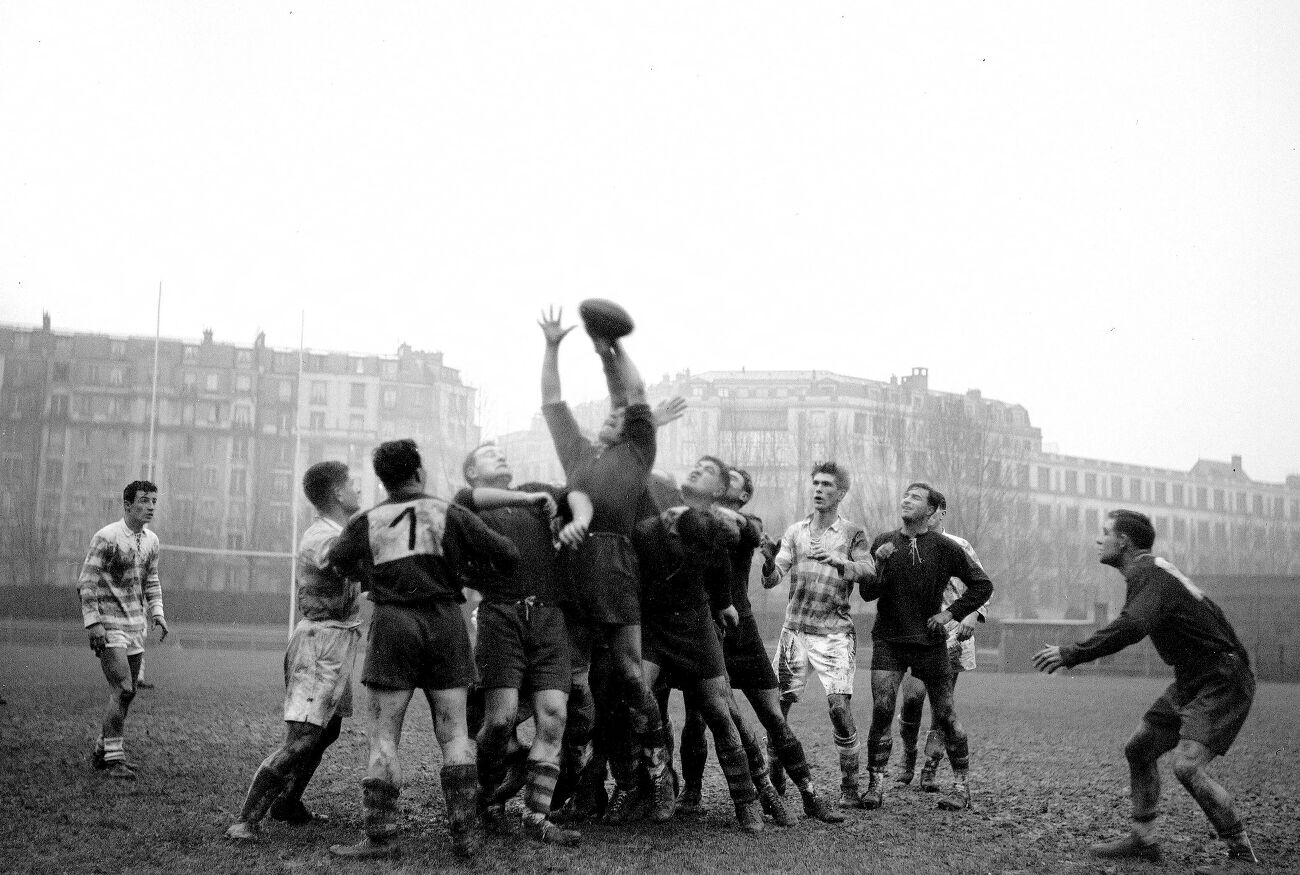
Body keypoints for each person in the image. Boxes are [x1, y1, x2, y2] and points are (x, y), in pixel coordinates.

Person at [1034, 510, 1259, 875]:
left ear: (1123, 541)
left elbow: (1133, 626)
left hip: (1222, 676)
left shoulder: (1146, 572)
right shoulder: (1150, 571)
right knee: (1140, 749)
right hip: (1195, 676)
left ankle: (1242, 855)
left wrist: (1072, 653)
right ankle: (1144, 838)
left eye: (1104, 533)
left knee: (1187, 766)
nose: (1098, 539)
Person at [326, 439, 520, 860]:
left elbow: (337, 562)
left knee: (383, 736)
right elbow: (506, 553)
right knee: (454, 733)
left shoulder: (367, 519)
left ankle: (381, 839)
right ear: (419, 473)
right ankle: (464, 837)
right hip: (446, 621)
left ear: (383, 480)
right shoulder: (446, 511)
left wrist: (374, 576)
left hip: (394, 622)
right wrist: (463, 568)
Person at [537, 306, 676, 822]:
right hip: (571, 572)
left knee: (629, 675)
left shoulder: (638, 452)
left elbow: (635, 393)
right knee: (575, 684)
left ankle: (655, 775)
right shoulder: (577, 456)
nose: (616, 413)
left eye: (622, 413)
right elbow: (552, 402)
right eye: (610, 411)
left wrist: (612, 351)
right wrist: (552, 346)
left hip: (616, 569)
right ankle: (572, 782)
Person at [677, 465, 844, 825]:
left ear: (741, 494)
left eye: (733, 477)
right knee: (697, 718)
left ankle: (810, 795)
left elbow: (748, 532)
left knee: (773, 717)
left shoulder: (745, 520)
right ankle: (692, 792)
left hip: (743, 631)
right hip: (706, 630)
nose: (724, 477)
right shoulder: (693, 521)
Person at [455, 441, 592, 846]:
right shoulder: (470, 504)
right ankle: (486, 799)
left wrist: (578, 519)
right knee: (500, 721)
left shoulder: (538, 490)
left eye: (500, 452)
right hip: (501, 615)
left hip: (549, 617)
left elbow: (578, 493)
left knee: (554, 716)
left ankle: (537, 817)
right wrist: (532, 498)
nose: (499, 456)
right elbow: (469, 497)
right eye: (487, 454)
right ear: (472, 472)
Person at [226, 461, 363, 840]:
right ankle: (245, 820)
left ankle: (287, 803)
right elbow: (347, 560)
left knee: (328, 730)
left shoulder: (339, 530)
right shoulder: (322, 536)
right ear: (337, 493)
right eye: (353, 484)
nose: (359, 489)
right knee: (303, 738)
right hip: (319, 644)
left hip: (337, 642)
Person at [632, 457, 764, 832]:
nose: (695, 470)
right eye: (696, 466)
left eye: (708, 471)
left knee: (717, 711)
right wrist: (664, 520)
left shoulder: (720, 524)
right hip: (656, 623)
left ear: (720, 490)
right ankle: (661, 783)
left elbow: (728, 556)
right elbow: (639, 537)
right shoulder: (661, 503)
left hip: (696, 622)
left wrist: (724, 605)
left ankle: (746, 800)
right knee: (640, 695)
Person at [862, 483, 992, 811]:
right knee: (882, 710)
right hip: (889, 640)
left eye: (916, 497)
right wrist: (876, 566)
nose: (906, 499)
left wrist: (951, 613)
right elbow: (867, 594)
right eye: (905, 494)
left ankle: (961, 787)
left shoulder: (947, 547)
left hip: (930, 644)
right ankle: (874, 786)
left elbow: (982, 585)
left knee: (946, 714)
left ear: (932, 511)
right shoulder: (883, 541)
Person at [762, 462, 875, 808]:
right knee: (778, 707)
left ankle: (849, 785)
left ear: (840, 493)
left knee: (838, 708)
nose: (818, 489)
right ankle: (775, 774)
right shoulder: (795, 531)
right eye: (815, 483)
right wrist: (768, 561)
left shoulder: (853, 533)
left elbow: (869, 572)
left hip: (834, 632)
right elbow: (772, 578)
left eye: (827, 484)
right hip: (795, 630)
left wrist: (839, 562)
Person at [895, 494, 989, 791]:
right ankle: (908, 755)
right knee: (911, 698)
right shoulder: (910, 544)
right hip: (918, 633)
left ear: (940, 513)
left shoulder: (959, 546)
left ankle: (930, 767)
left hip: (953, 634)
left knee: (941, 708)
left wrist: (973, 615)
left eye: (932, 510)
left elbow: (982, 585)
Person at [79, 480, 169, 780]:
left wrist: (157, 612)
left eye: (154, 501)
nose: (151, 506)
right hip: (109, 625)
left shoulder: (152, 541)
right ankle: (115, 760)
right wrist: (93, 623)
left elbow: (151, 580)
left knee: (127, 695)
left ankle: (101, 751)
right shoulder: (106, 537)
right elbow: (86, 583)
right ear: (127, 504)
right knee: (123, 687)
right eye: (144, 500)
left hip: (135, 625)